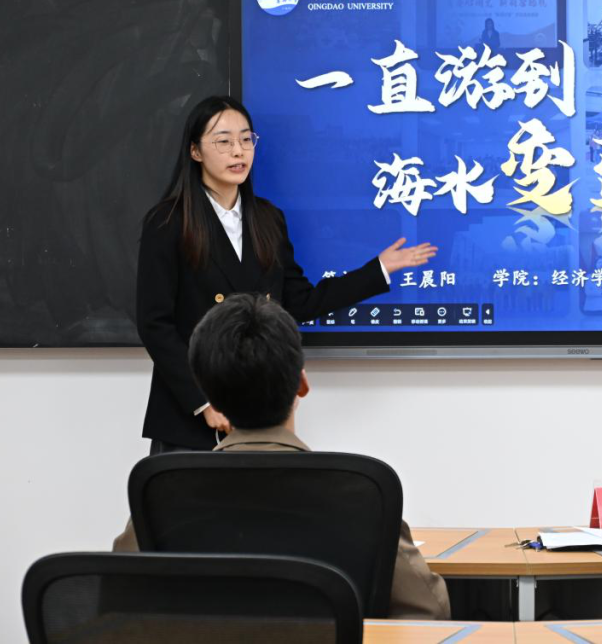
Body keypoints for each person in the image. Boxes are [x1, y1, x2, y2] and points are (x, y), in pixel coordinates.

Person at [115, 293, 451, 619]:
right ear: (302, 383)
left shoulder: (162, 495)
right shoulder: (362, 494)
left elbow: (117, 602)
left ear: (209, 398)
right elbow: (428, 609)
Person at [137, 96, 438, 452]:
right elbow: (154, 324)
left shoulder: (267, 219)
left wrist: (378, 270)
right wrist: (203, 401)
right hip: (188, 418)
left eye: (246, 139)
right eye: (223, 141)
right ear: (195, 151)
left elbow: (298, 302)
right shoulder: (168, 222)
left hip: (258, 411)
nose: (238, 151)